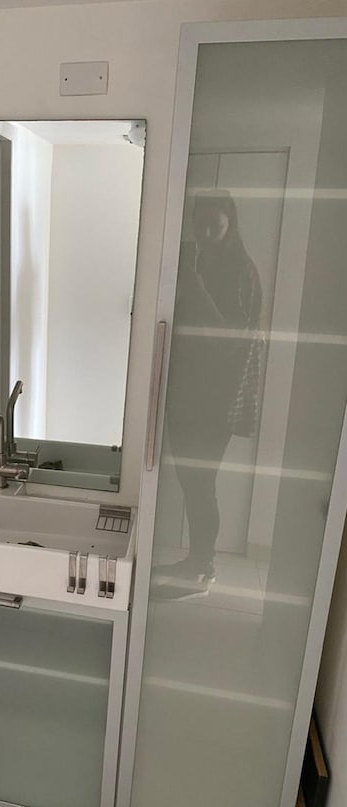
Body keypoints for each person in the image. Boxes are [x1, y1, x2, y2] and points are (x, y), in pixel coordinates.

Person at [161, 189, 262, 593]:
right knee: (192, 481)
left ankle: (205, 565)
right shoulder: (200, 259)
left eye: (213, 225)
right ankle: (197, 560)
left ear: (229, 224)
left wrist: (194, 284)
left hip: (214, 399)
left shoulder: (240, 270)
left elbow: (231, 337)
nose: (204, 232)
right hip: (185, 391)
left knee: (201, 484)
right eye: (199, 224)